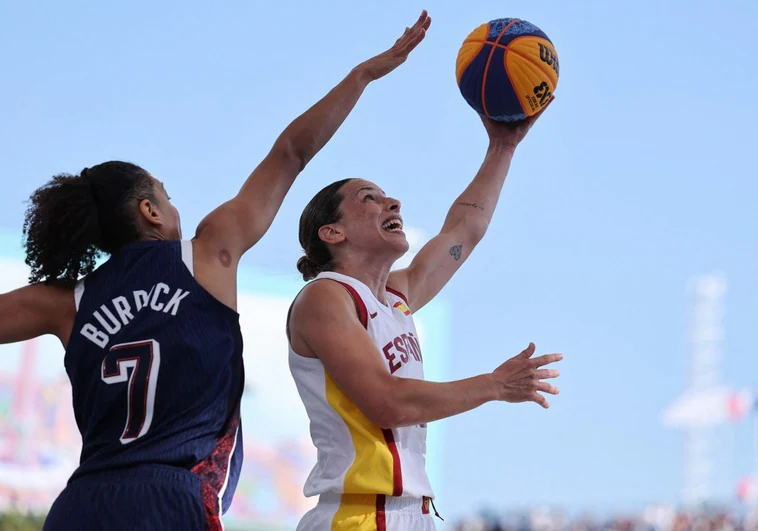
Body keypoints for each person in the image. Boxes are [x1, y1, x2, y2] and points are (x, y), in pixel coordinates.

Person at [0, 11, 431, 531]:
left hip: (82, 503)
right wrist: (361, 75)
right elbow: (291, 153)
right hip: (171, 498)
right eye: (167, 196)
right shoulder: (208, 253)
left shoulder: (62, 302)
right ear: (150, 212)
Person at [287, 99, 562, 530]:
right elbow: (386, 401)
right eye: (370, 199)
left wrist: (503, 146)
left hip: (412, 514)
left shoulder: (395, 298)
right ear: (333, 232)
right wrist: (494, 384)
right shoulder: (325, 297)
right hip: (359, 515)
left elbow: (463, 231)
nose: (392, 202)